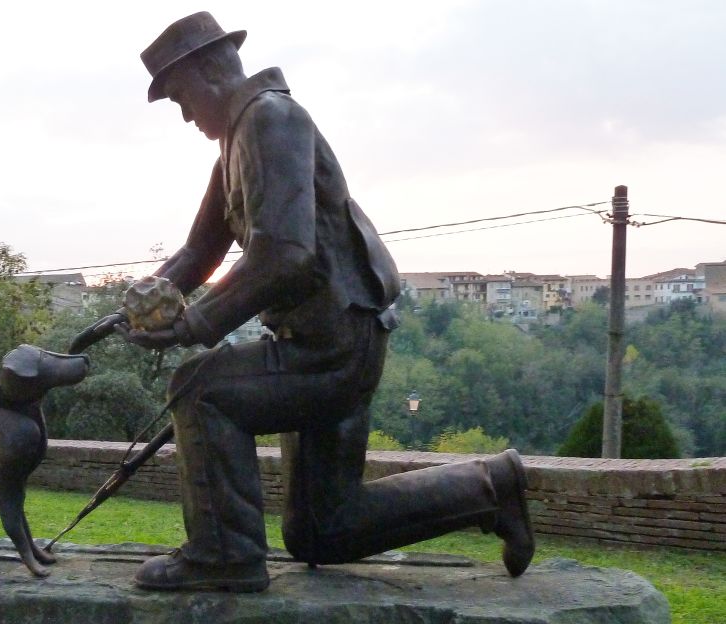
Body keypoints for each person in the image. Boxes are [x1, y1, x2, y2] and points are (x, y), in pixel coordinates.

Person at [104, 12, 534, 592]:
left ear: (210, 70)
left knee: (199, 388)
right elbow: (198, 251)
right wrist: (139, 302)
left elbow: (285, 255)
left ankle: (224, 556)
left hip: (334, 348)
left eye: (181, 97)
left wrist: (192, 326)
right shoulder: (238, 139)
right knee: (322, 530)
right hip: (323, 342)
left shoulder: (272, 121)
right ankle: (490, 487)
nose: (184, 115)